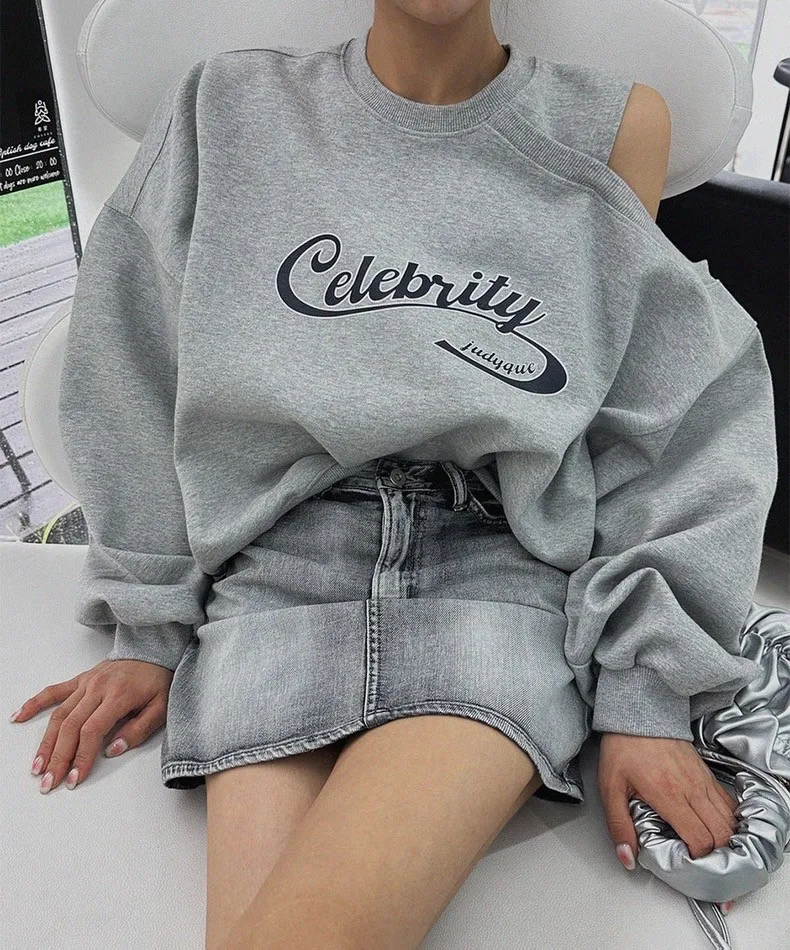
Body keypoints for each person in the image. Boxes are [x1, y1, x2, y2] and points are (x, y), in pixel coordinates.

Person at [12, 1, 777, 946]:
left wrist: (645, 694)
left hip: (498, 566)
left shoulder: (609, 124)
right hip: (277, 569)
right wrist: (149, 620)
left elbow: (659, 404)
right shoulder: (227, 107)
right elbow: (131, 360)